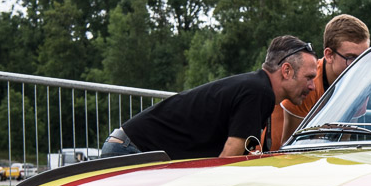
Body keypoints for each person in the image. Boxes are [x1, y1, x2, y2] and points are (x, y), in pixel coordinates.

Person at [101, 36, 318, 160]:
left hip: (130, 147)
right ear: (287, 71)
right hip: (132, 151)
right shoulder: (258, 92)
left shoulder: (255, 88)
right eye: (309, 77)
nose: (312, 86)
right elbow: (228, 161)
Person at [269, 14, 370, 150]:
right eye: (351, 57)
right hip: (274, 154)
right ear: (329, 55)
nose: (358, 65)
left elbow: (344, 141)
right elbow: (290, 146)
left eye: (364, 57)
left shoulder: (360, 86)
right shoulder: (306, 83)